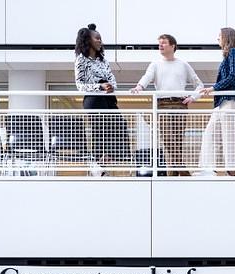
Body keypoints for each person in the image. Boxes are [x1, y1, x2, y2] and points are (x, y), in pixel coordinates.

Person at [130, 34, 204, 176]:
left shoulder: (183, 64)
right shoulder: (155, 64)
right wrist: (139, 87)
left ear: (173, 46)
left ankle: (173, 173)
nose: (160, 45)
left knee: (177, 139)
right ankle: (182, 170)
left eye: (164, 43)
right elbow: (147, 77)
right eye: (159, 43)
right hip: (162, 105)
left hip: (180, 104)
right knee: (168, 138)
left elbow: (199, 84)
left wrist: (193, 97)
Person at [74, 23, 130, 171]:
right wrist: (99, 86)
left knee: (120, 125)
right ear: (88, 40)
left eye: (100, 39)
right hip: (94, 99)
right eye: (97, 38)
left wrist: (111, 86)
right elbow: (80, 85)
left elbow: (113, 80)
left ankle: (102, 164)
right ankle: (100, 165)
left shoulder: (103, 60)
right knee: (100, 131)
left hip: (108, 98)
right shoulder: (81, 60)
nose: (100, 41)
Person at [195, 27, 235, 176]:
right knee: (210, 133)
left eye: (219, 36)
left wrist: (213, 88)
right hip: (222, 102)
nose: (217, 38)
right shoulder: (228, 55)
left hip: (229, 100)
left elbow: (234, 76)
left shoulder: (234, 53)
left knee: (227, 135)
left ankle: (231, 169)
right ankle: (208, 167)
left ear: (226, 37)